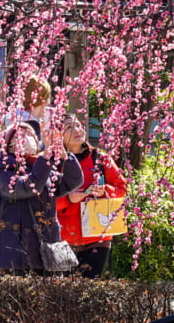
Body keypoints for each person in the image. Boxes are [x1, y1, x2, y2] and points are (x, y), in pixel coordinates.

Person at [0, 121, 83, 274]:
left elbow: (73, 181)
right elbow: (30, 186)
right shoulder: (4, 169)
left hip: (49, 251)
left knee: (53, 296)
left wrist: (65, 157)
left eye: (30, 135)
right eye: (21, 135)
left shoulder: (41, 166)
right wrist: (46, 156)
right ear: (9, 144)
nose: (27, 138)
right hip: (19, 254)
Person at [55, 114, 128, 278]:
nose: (77, 130)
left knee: (88, 291)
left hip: (97, 235)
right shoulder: (53, 164)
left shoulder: (100, 159)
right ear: (58, 136)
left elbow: (122, 188)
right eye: (69, 127)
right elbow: (44, 202)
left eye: (79, 125)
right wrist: (67, 199)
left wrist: (106, 191)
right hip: (64, 238)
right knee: (65, 295)